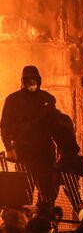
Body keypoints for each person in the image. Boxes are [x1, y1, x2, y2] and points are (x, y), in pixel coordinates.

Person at [0, 66, 58, 210]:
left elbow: (55, 126)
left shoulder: (48, 99)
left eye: (34, 78)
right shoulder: (13, 100)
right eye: (28, 79)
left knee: (46, 190)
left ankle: (43, 220)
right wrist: (9, 148)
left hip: (44, 151)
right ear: (23, 81)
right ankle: (24, 222)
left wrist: (60, 148)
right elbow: (5, 125)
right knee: (24, 189)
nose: (31, 81)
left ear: (38, 80)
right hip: (23, 151)